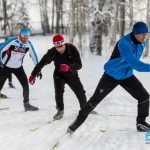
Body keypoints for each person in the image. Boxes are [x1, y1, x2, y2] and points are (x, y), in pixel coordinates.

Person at [67, 21, 150, 134]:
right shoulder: (124, 43)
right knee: (94, 101)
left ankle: (141, 123)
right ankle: (76, 124)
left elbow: (132, 63)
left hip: (127, 76)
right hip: (111, 75)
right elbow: (135, 64)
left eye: (146, 34)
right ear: (135, 33)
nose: (144, 36)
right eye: (142, 34)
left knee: (144, 97)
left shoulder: (142, 44)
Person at [29, 34, 87, 120]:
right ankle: (60, 110)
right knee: (59, 92)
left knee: (80, 92)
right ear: (55, 46)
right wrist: (33, 74)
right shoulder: (52, 52)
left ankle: (85, 109)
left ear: (64, 44)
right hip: (59, 74)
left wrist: (69, 67)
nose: (60, 49)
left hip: (72, 74)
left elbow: (79, 65)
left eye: (61, 46)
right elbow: (42, 63)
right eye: (57, 47)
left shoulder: (71, 48)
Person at [0, 28, 42, 111]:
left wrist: (38, 69)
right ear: (20, 36)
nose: (25, 40)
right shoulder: (12, 41)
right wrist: (0, 62)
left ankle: (27, 104)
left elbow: (34, 56)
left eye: (27, 38)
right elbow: (0, 49)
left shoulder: (28, 44)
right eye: (23, 38)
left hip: (18, 68)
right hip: (6, 67)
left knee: (25, 85)